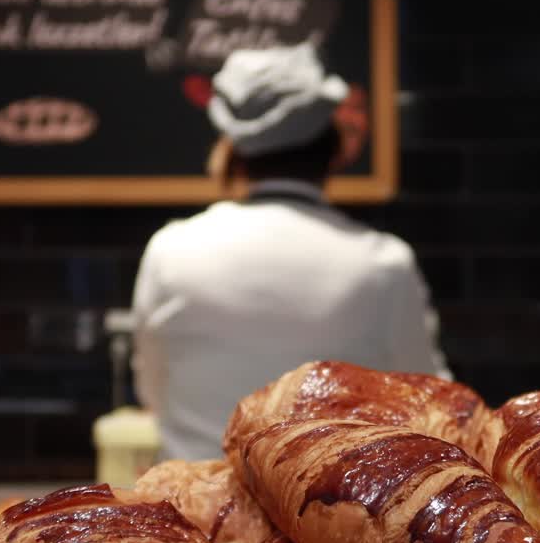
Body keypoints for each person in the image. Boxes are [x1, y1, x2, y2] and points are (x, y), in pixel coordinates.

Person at [131, 43, 448, 460]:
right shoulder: (382, 264)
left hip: (194, 515)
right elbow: (431, 403)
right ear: (332, 146)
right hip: (328, 518)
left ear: (234, 150)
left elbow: (151, 390)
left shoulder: (170, 252)